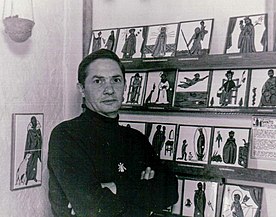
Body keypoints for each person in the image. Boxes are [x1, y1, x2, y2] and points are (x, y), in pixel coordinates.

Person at [48, 49, 178, 217]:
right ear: (81, 89)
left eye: (116, 80)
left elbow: (170, 191)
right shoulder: (66, 136)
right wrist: (141, 188)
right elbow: (92, 207)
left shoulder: (135, 139)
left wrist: (112, 188)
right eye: (98, 81)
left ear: (125, 85)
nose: (109, 89)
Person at [24, 116, 42, 185]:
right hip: (31, 150)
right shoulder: (30, 131)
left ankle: (33, 177)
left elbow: (40, 139)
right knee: (29, 164)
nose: (34, 122)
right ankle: (27, 177)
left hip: (37, 149)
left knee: (35, 164)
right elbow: (28, 142)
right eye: (33, 121)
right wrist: (27, 152)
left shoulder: (38, 130)